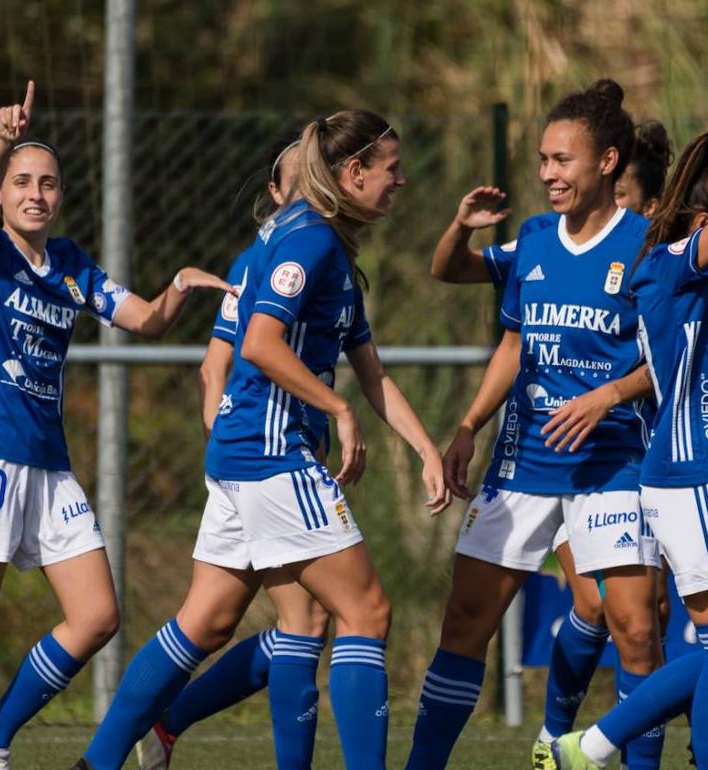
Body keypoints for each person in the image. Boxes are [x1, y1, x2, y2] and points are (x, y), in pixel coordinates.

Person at [71, 109, 450, 770]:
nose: (401, 181)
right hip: (275, 458)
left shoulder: (321, 246)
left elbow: (372, 372)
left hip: (246, 456)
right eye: (391, 169)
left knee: (214, 622)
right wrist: (337, 410)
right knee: (367, 613)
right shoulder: (307, 243)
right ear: (352, 172)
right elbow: (258, 344)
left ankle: (98, 762)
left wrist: (425, 449)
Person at [0, 80, 234, 770]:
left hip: (47, 462)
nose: (36, 193)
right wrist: (2, 140)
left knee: (97, 616)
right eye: (22, 182)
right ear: (4, 194)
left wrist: (180, 286)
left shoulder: (70, 266)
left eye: (49, 183)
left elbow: (145, 320)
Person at [405, 79, 666, 770]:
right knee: (465, 625)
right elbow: (514, 346)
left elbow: (673, 360)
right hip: (521, 463)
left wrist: (608, 395)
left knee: (637, 631)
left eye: (562, 160)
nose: (548, 173)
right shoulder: (535, 238)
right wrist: (466, 426)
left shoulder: (648, 245)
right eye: (543, 160)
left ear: (607, 162)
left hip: (612, 467)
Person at [552, 119, 708, 770]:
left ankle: (591, 746)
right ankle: (597, 746)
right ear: (703, 220)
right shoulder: (670, 268)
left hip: (706, 475)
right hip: (687, 475)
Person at [135, 135, 335, 770]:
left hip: (267, 459)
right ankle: (142, 731)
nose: (311, 188)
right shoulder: (269, 261)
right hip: (269, 461)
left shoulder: (300, 254)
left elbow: (215, 368)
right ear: (275, 194)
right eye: (297, 179)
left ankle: (154, 729)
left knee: (216, 622)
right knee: (322, 619)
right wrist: (234, 444)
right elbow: (218, 364)